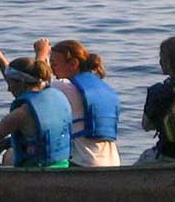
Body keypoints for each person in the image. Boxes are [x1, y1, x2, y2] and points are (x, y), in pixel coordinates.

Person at [34, 38, 121, 166]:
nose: (52, 71)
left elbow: (35, 84)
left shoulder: (66, 87)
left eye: (54, 65)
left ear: (73, 63)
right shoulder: (102, 88)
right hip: (112, 162)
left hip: (84, 163)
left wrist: (41, 54)